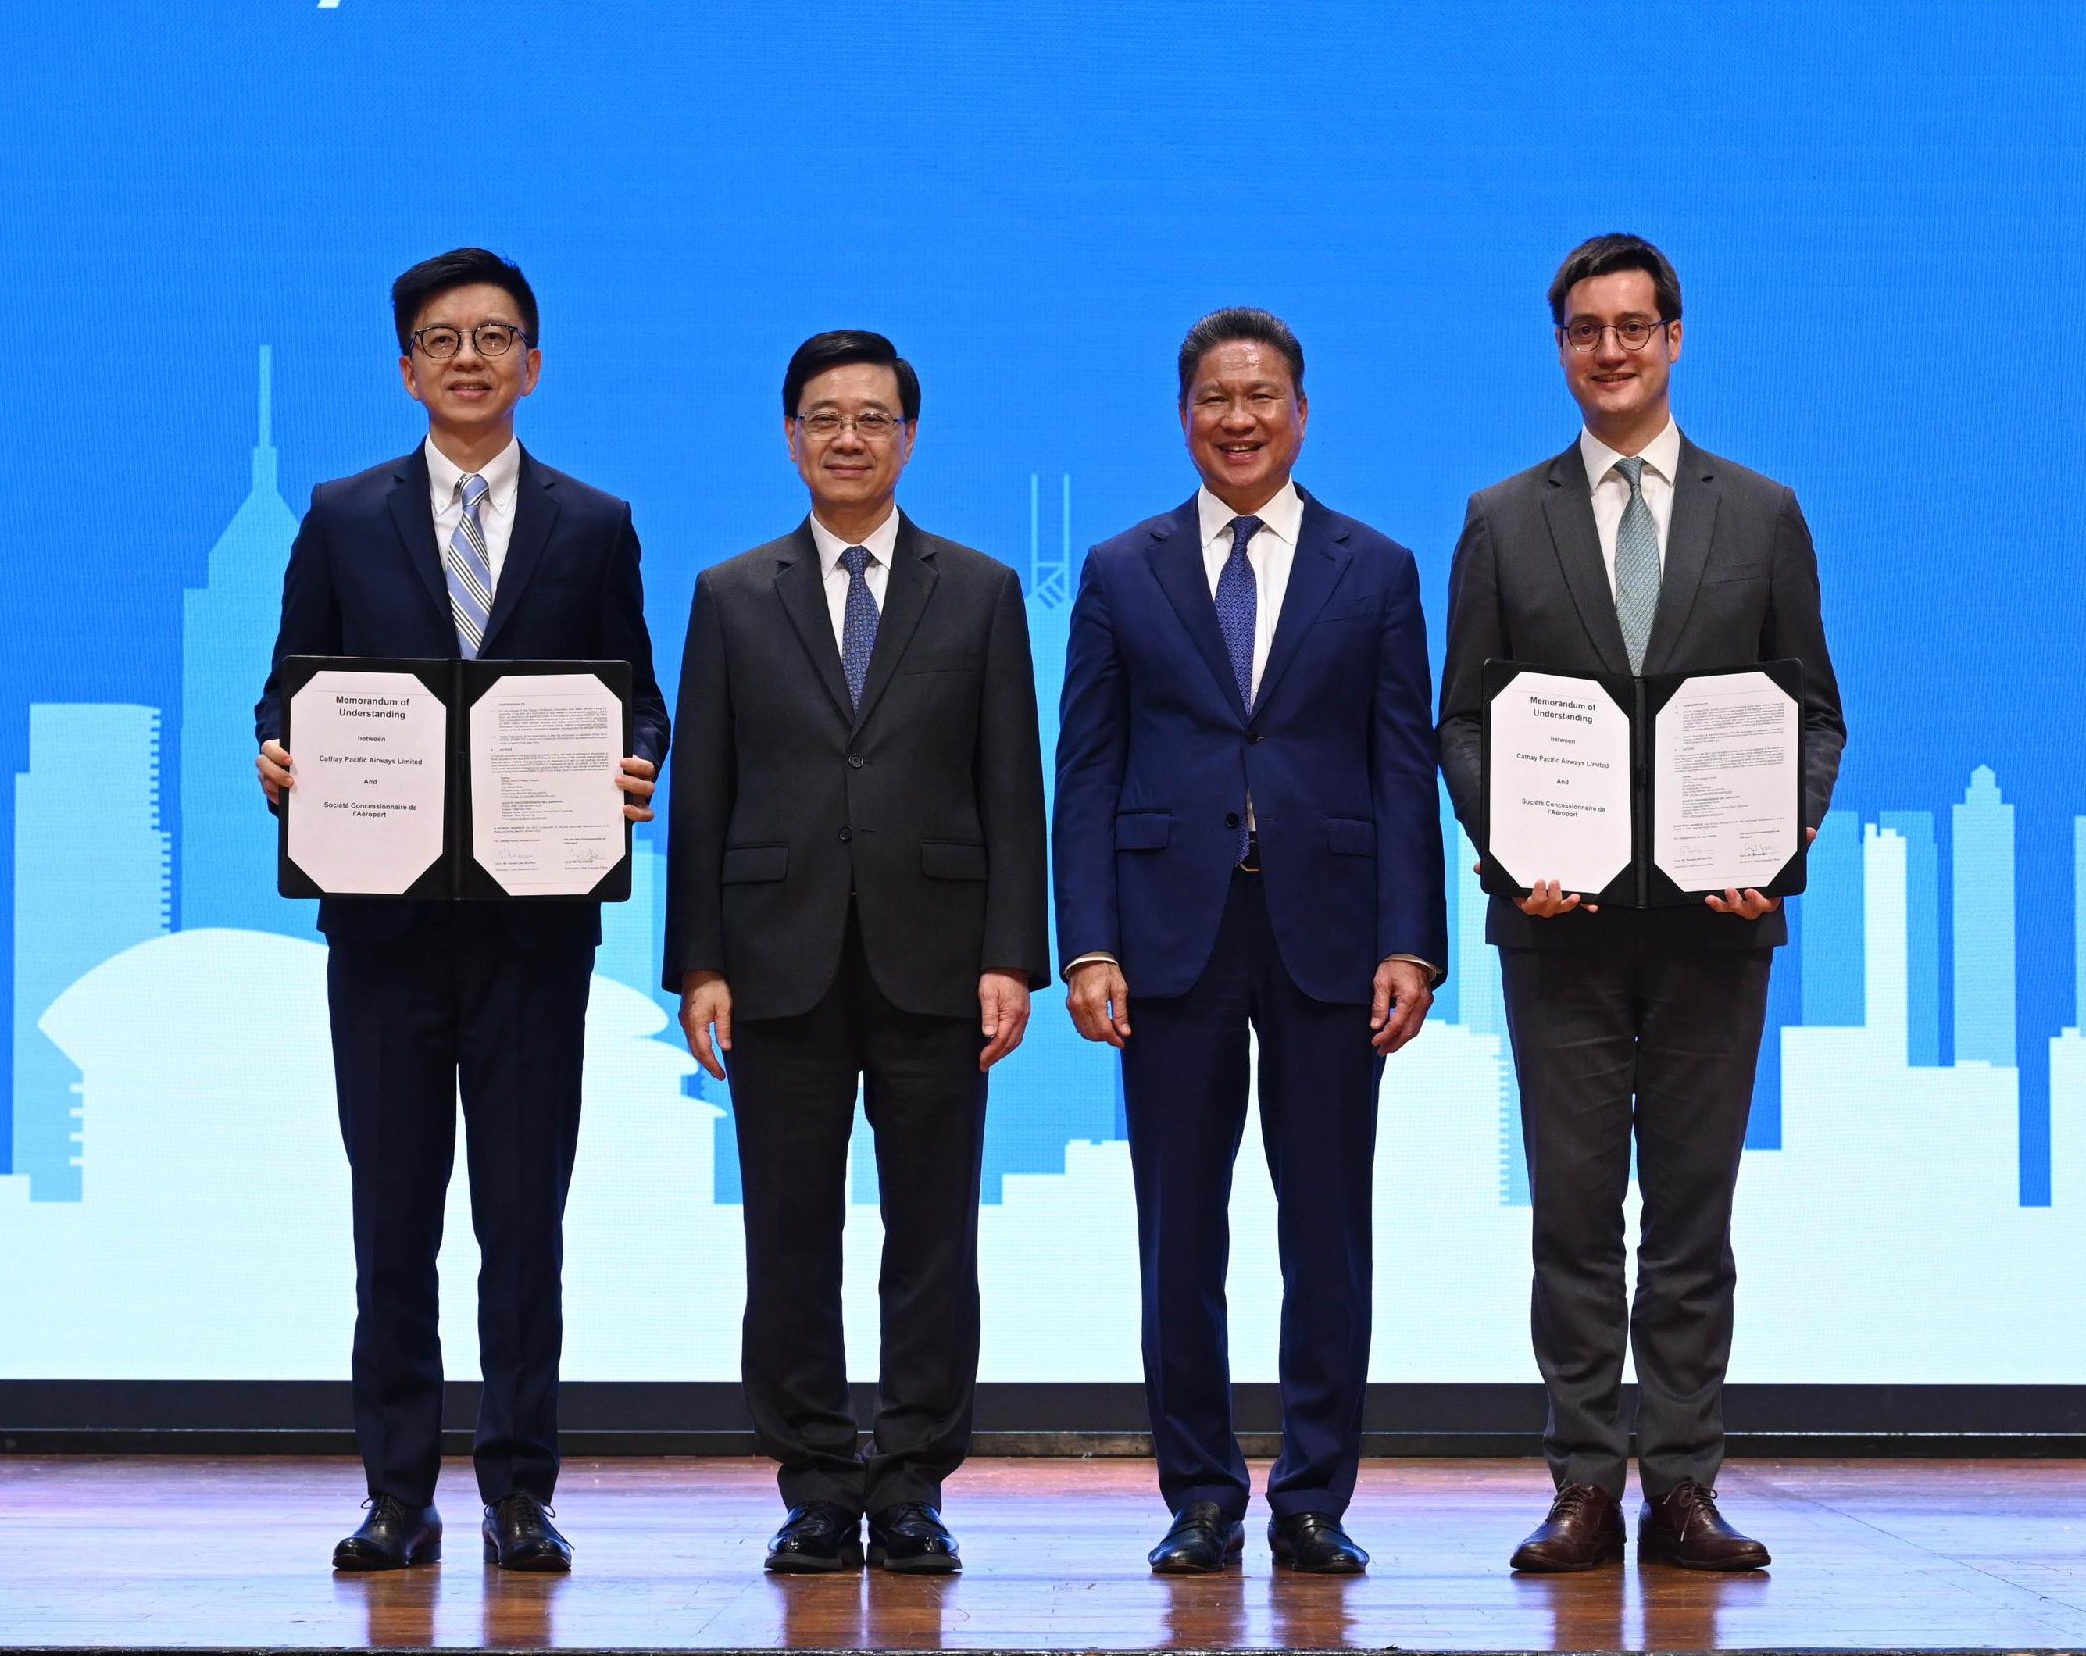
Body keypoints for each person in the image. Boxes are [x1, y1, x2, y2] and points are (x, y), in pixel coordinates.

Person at [252, 247, 668, 1576]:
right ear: (408, 368)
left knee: (523, 1225)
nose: (471, 357)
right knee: (394, 1219)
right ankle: (395, 1492)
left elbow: (638, 693)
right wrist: (277, 750)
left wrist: (636, 758)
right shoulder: (339, 514)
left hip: (537, 936)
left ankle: (521, 1491)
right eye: (444, 338)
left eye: (496, 336)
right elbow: (287, 689)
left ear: (533, 362)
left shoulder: (593, 522)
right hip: (380, 935)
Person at [1435, 232, 1845, 1577]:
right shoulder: (1503, 514)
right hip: (1557, 923)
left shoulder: (1764, 509)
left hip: (1715, 923)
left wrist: (1775, 842)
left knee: (1689, 1216)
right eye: (1582, 329)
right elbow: (1465, 721)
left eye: (1631, 326)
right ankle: (1576, 1484)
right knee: (1569, 1211)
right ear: (1560, 348)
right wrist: (1509, 847)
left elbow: (1814, 710)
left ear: (1676, 338)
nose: (1608, 350)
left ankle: (1681, 1483)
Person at [1053, 308, 1447, 1578]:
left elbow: (1402, 765)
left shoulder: (1375, 565)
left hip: (1331, 937)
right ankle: (1203, 1494)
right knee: (1181, 1229)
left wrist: (1414, 941)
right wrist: (1087, 943)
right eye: (1216, 397)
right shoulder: (1123, 565)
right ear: (1185, 416)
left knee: (1327, 1225)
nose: (1239, 417)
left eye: (1262, 394)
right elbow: (1089, 768)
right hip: (1168, 939)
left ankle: (1317, 1494)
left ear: (1301, 411)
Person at [662, 330, 1051, 1578]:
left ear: (909, 437)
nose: (847, 436)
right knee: (787, 1232)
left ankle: (916, 1479)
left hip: (938, 959)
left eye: (872, 417)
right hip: (774, 959)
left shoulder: (980, 589)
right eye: (823, 416)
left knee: (933, 1235)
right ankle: (819, 1479)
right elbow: (704, 787)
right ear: (789, 436)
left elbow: (1011, 783)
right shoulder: (730, 591)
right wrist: (698, 961)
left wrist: (1013, 952)